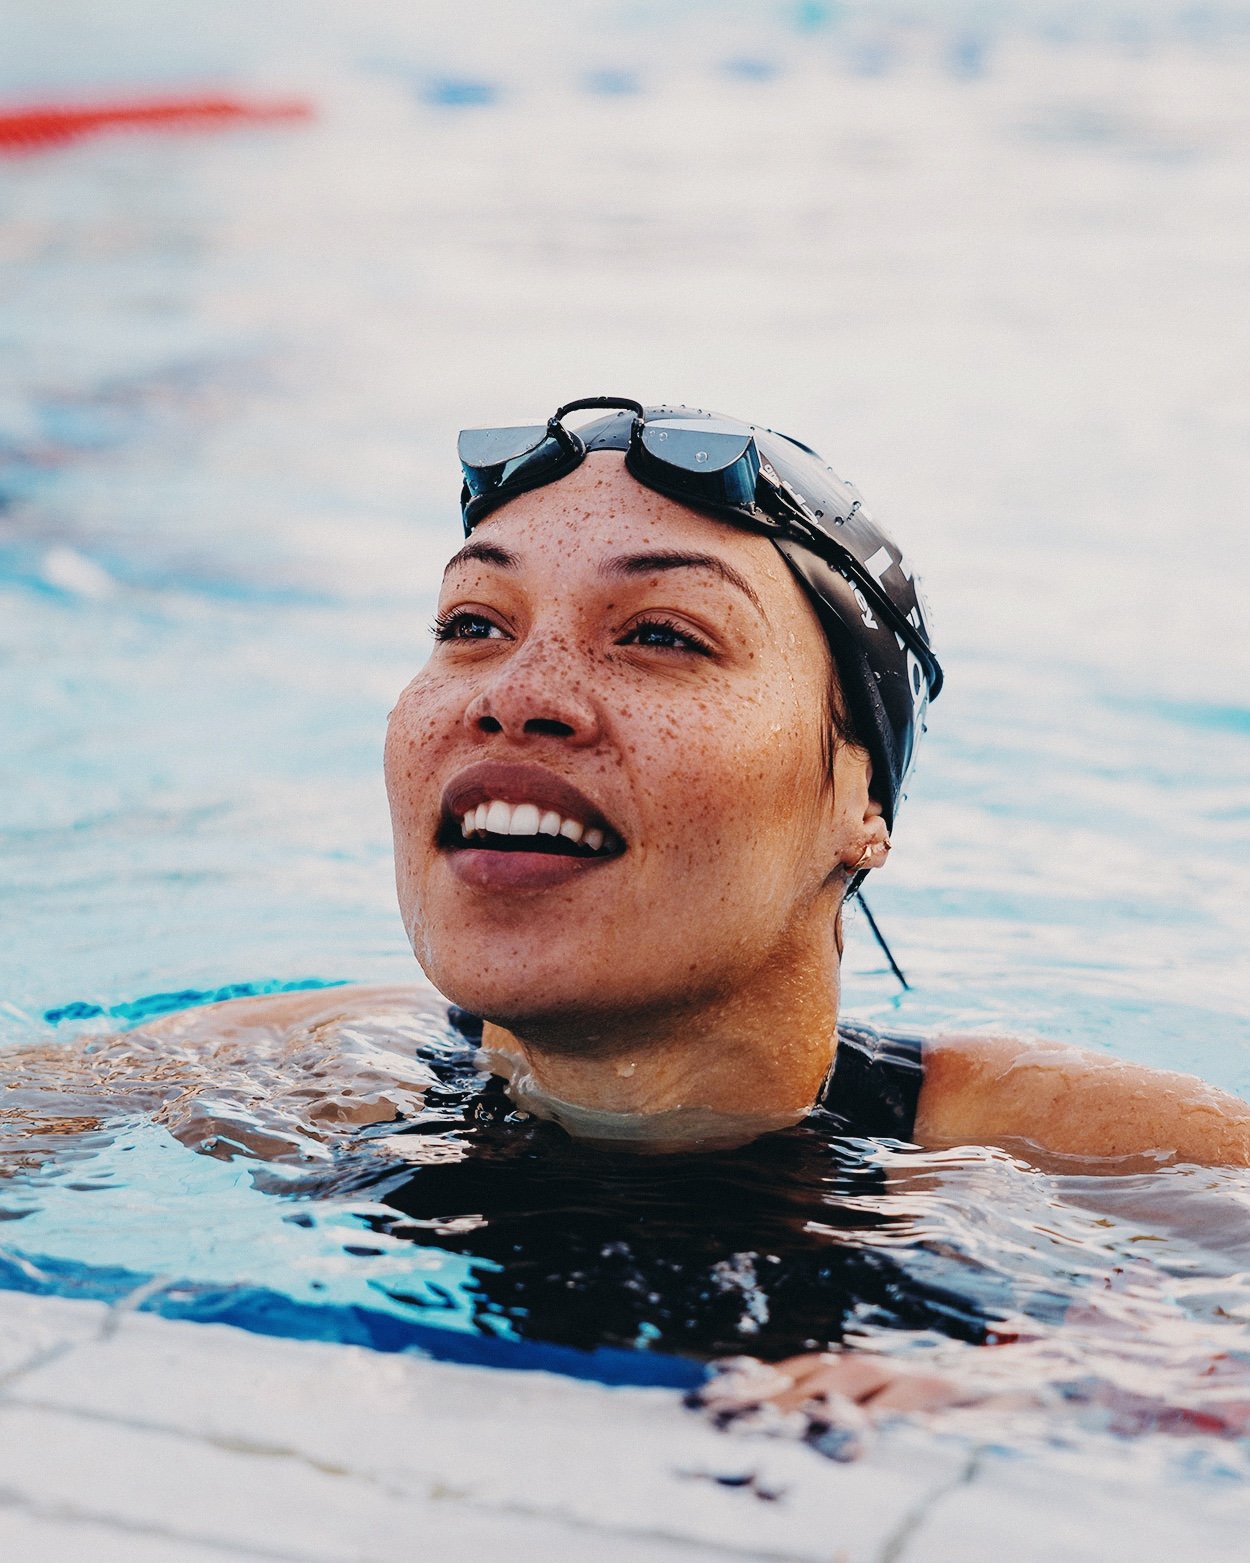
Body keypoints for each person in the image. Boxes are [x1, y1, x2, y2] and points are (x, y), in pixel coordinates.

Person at [13, 397, 1250, 1431]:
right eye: (470, 625)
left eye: (661, 634)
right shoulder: (321, 1073)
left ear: (859, 805)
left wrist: (1077, 1375)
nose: (518, 694)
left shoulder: (1027, 1141)